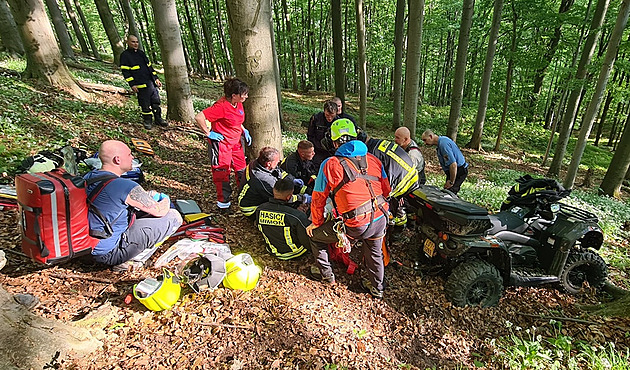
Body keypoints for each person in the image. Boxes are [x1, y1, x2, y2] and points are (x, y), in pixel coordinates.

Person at [306, 119, 390, 299]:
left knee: (315, 237)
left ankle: (326, 276)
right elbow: (386, 189)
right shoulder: (373, 159)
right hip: (380, 217)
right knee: (374, 250)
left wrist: (316, 223)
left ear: (334, 142)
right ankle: (378, 288)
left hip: (356, 223)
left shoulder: (330, 164)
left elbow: (318, 197)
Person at [84, 140, 182, 271]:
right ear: (117, 160)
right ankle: (132, 262)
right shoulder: (125, 185)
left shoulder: (89, 176)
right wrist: (165, 199)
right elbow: (160, 211)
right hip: (107, 253)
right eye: (129, 154)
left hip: (84, 248)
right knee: (174, 217)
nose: (133, 157)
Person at [195, 78, 252, 213]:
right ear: (234, 95)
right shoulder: (221, 106)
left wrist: (243, 130)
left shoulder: (238, 104)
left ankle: (244, 198)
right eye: (244, 94)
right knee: (222, 173)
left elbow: (235, 120)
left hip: (236, 143)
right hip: (222, 145)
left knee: (242, 171)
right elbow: (199, 117)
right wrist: (208, 133)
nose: (246, 96)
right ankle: (223, 204)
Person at [364, 133, 419, 227]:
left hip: (403, 180)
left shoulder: (371, 153)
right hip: (411, 174)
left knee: (385, 202)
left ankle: (397, 228)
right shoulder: (378, 143)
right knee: (401, 201)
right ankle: (409, 221)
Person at [239, 147, 310, 219]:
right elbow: (280, 197)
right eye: (277, 162)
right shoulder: (264, 180)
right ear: (269, 163)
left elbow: (279, 172)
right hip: (252, 209)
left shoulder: (259, 163)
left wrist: (292, 180)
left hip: (257, 195)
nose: (278, 162)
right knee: (287, 211)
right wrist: (301, 199)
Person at [254, 178, 310, 260]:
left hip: (272, 249)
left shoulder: (260, 209)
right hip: (294, 252)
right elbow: (306, 241)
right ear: (289, 197)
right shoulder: (296, 216)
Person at [119, 35, 165, 130]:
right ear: (128, 42)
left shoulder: (141, 53)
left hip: (151, 84)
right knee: (145, 104)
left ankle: (158, 119)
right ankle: (147, 121)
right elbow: (125, 72)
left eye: (136, 42)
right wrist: (132, 84)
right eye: (133, 42)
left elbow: (149, 67)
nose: (135, 44)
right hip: (140, 85)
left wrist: (156, 78)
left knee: (156, 102)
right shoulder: (125, 55)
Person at [421, 129, 468, 194]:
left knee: (450, 193)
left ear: (431, 136)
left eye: (425, 140)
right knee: (447, 192)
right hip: (453, 171)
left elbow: (453, 165)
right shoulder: (441, 142)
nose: (425, 143)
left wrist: (451, 182)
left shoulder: (443, 144)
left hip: (458, 170)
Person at [307, 100, 339, 165]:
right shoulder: (316, 118)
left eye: (332, 116)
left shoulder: (339, 122)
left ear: (336, 113)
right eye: (327, 115)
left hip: (332, 151)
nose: (329, 118)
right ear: (324, 111)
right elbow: (310, 135)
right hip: (317, 149)